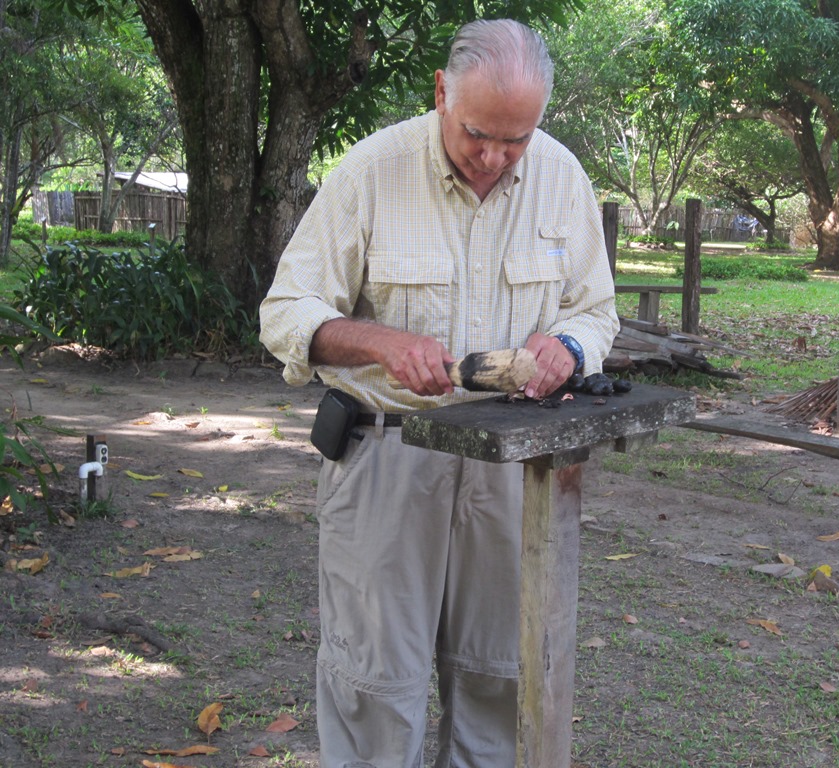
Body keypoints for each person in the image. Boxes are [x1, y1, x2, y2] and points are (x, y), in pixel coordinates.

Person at [259, 18, 618, 767]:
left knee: (502, 674)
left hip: (512, 463)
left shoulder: (562, 177)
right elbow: (284, 313)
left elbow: (596, 308)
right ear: (442, 93)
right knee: (374, 684)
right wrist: (379, 342)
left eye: (515, 140)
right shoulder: (370, 171)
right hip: (389, 455)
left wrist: (571, 346)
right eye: (478, 133)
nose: (494, 157)